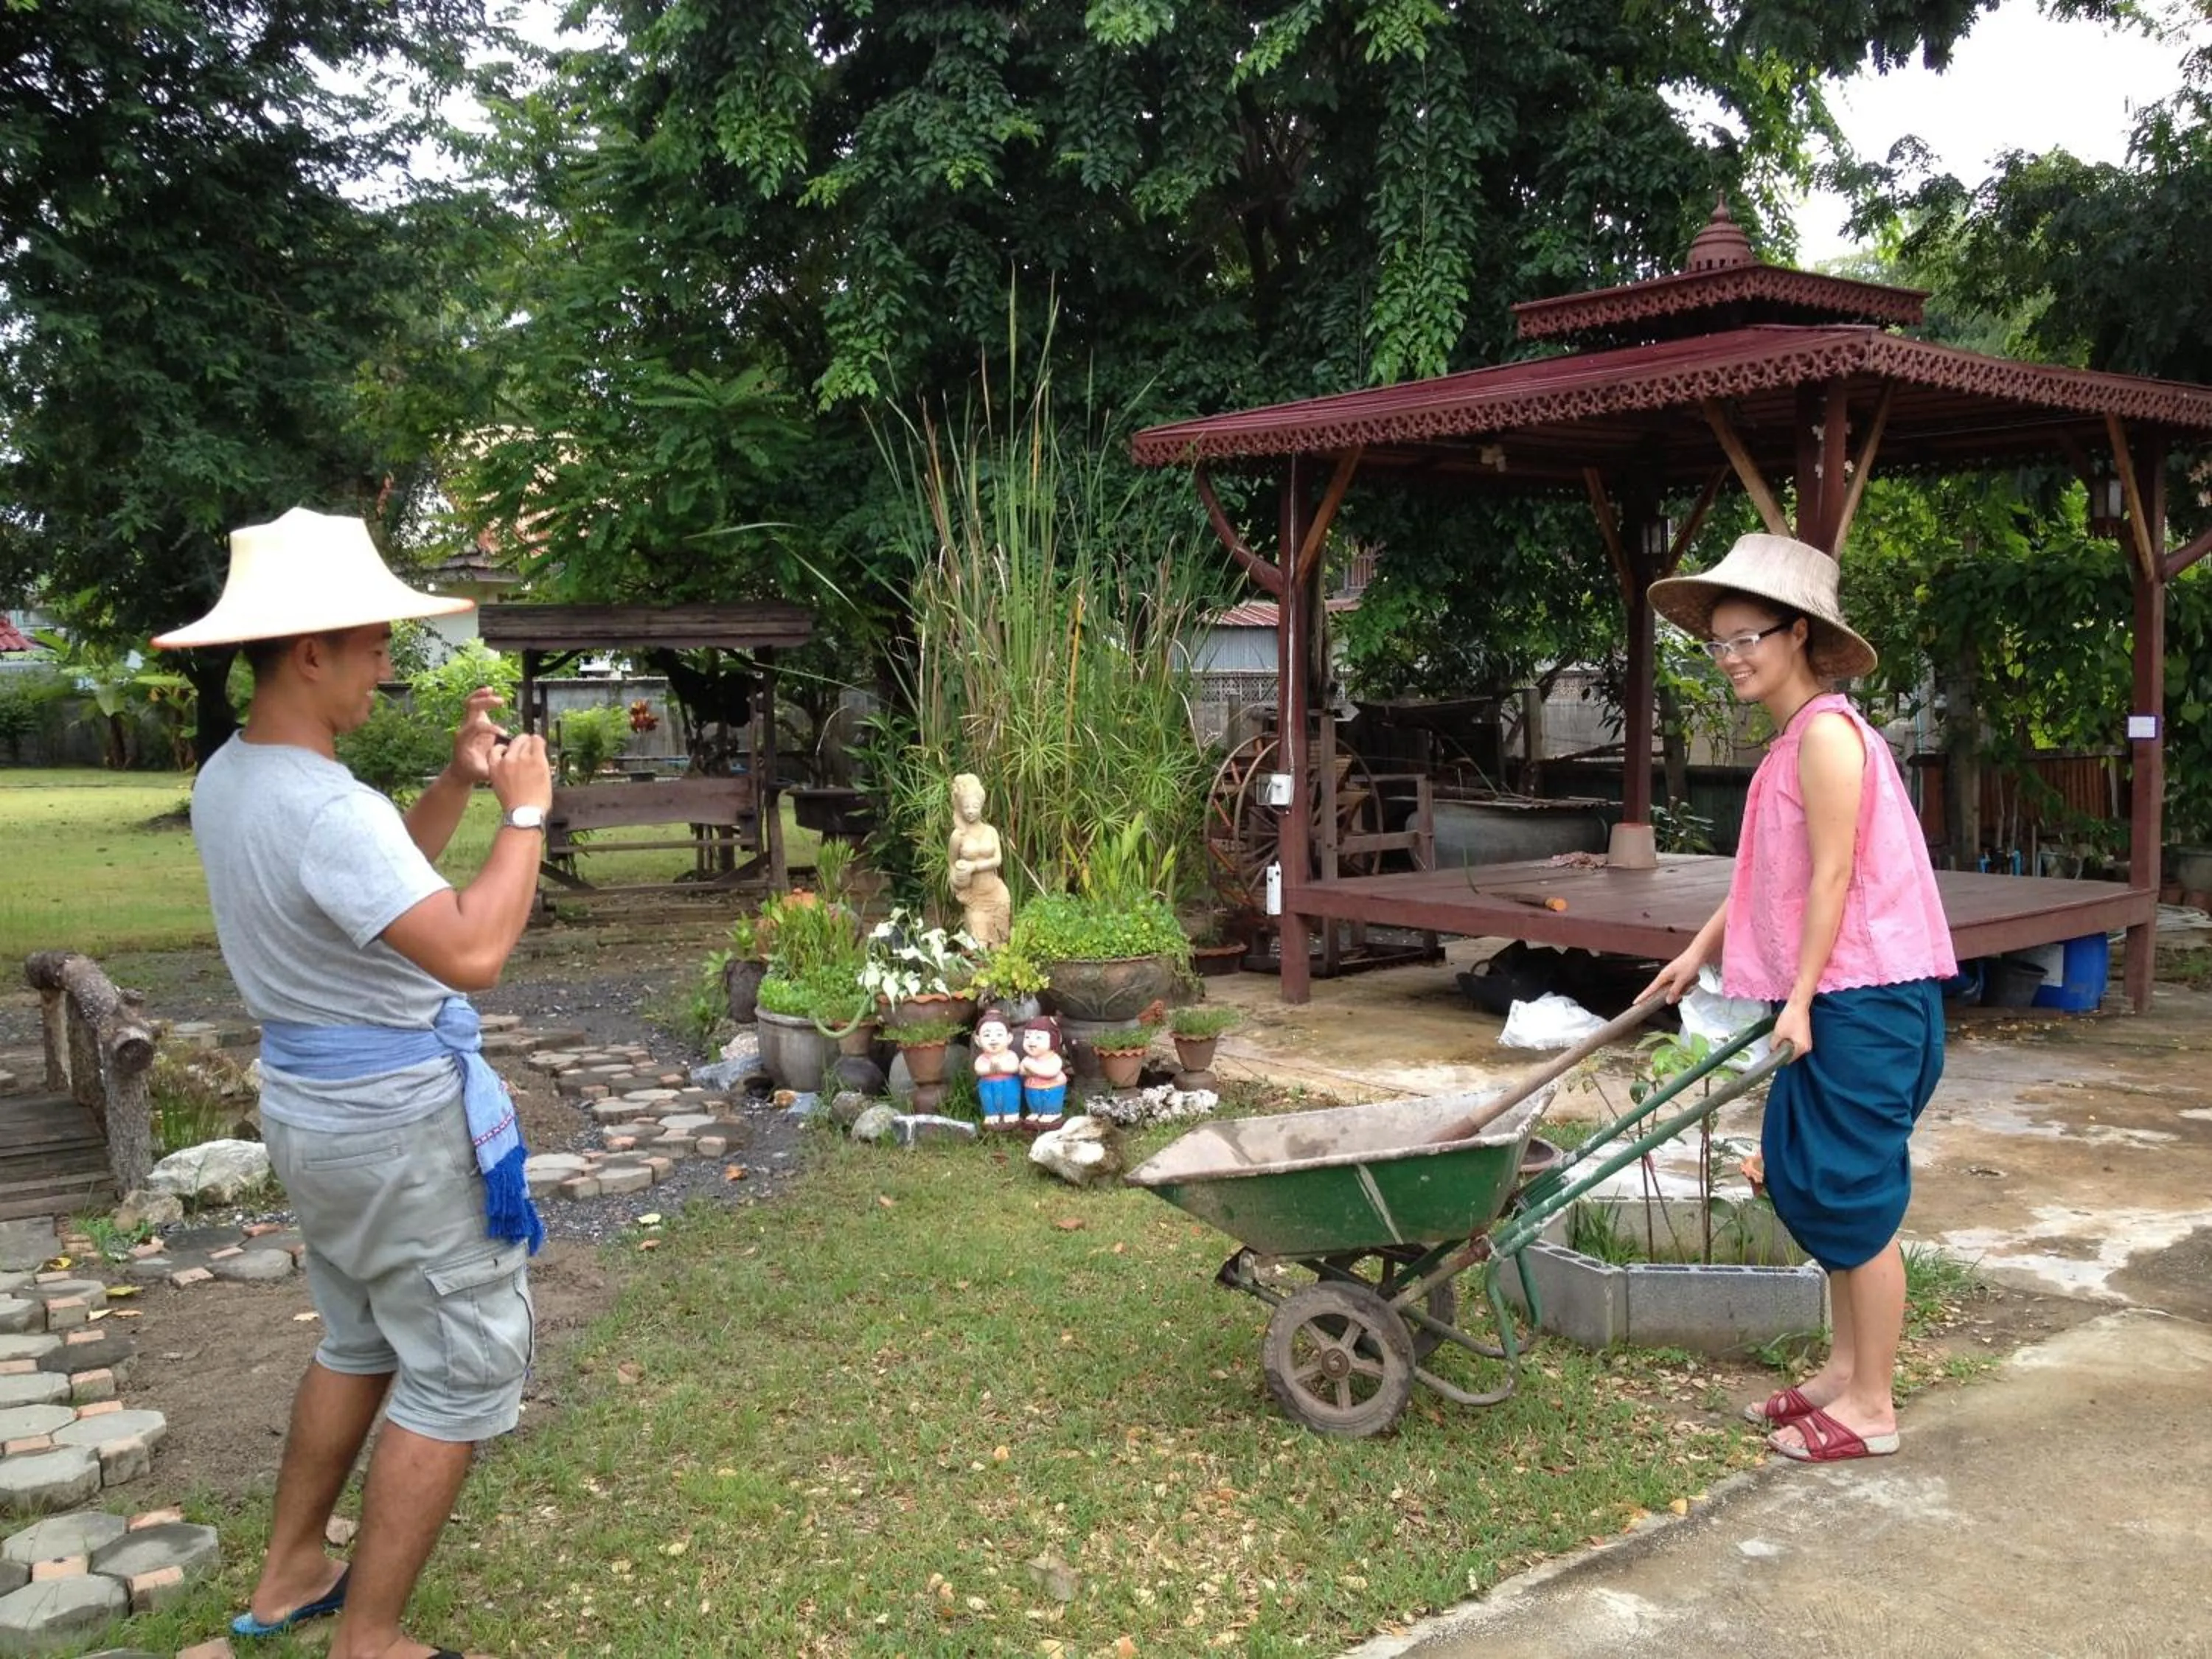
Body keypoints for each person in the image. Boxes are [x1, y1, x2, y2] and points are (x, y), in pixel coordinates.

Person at [154, 507, 554, 1659]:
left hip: (313, 1111)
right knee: (463, 1355)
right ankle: (368, 1635)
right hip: (395, 1127)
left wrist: (454, 784)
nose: (388, 665)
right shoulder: (324, 805)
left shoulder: (239, 777)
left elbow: (384, 887)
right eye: (374, 644)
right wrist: (524, 808)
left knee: (360, 1333)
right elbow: (471, 947)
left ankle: (291, 1572)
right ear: (310, 651)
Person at [1642, 532, 1955, 1465]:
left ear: (1800, 635)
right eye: (1721, 641)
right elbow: (1762, 881)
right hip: (1845, 994)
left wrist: (1800, 1000)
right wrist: (1695, 956)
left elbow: (1831, 879)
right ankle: (1845, 1371)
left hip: (1865, 997)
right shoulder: (1795, 740)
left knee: (1853, 1195)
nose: (1733, 657)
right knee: (1808, 1176)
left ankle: (1872, 1406)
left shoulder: (1826, 736)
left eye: (1751, 638)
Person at [947, 773, 1012, 947]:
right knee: (980, 945)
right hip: (975, 897)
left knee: (1000, 945)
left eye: (975, 806)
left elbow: (998, 860)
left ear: (982, 806)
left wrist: (973, 866)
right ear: (960, 807)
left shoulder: (990, 831)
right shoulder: (957, 836)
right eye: (966, 806)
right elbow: (951, 864)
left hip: (996, 892)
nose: (970, 811)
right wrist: (958, 878)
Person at [973, 1008, 1023, 1125]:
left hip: (1009, 1082)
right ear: (978, 1040)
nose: (993, 1039)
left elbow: (1015, 1067)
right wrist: (990, 1068)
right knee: (988, 1099)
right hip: (987, 1084)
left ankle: (1011, 1113)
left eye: (999, 1034)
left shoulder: (1011, 1055)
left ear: (1009, 1038)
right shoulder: (982, 1058)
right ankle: (991, 1115)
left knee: (1011, 1097)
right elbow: (979, 1069)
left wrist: (999, 1067)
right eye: (987, 1035)